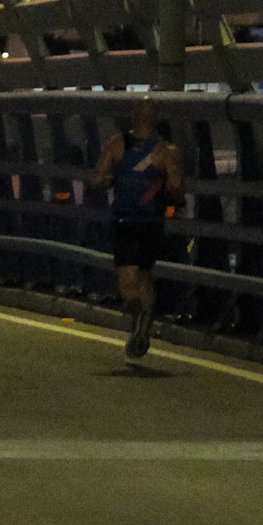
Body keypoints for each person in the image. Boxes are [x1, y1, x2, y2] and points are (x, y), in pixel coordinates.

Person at [93, 99, 186, 362]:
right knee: (144, 275)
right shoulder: (166, 151)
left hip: (124, 219)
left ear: (133, 117)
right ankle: (144, 319)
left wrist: (113, 178)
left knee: (127, 278)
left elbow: (96, 178)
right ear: (156, 118)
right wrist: (175, 204)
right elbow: (176, 187)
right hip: (152, 223)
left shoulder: (116, 144)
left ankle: (138, 315)